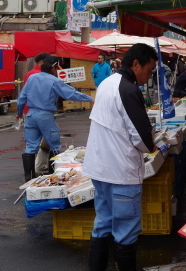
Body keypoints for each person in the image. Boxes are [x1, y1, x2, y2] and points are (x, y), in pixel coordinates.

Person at [83, 43, 158, 271]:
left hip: (99, 170)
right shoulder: (128, 89)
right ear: (136, 64)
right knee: (125, 230)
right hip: (121, 173)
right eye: (149, 69)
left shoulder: (106, 83)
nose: (149, 75)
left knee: (103, 223)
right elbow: (143, 139)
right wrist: (154, 145)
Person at [16, 56, 94, 181]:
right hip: (45, 116)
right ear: (52, 68)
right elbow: (70, 93)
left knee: (30, 146)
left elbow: (22, 98)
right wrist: (90, 99)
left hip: (31, 115)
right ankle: (52, 176)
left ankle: (28, 178)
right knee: (54, 145)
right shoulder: (54, 81)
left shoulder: (32, 78)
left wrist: (19, 112)